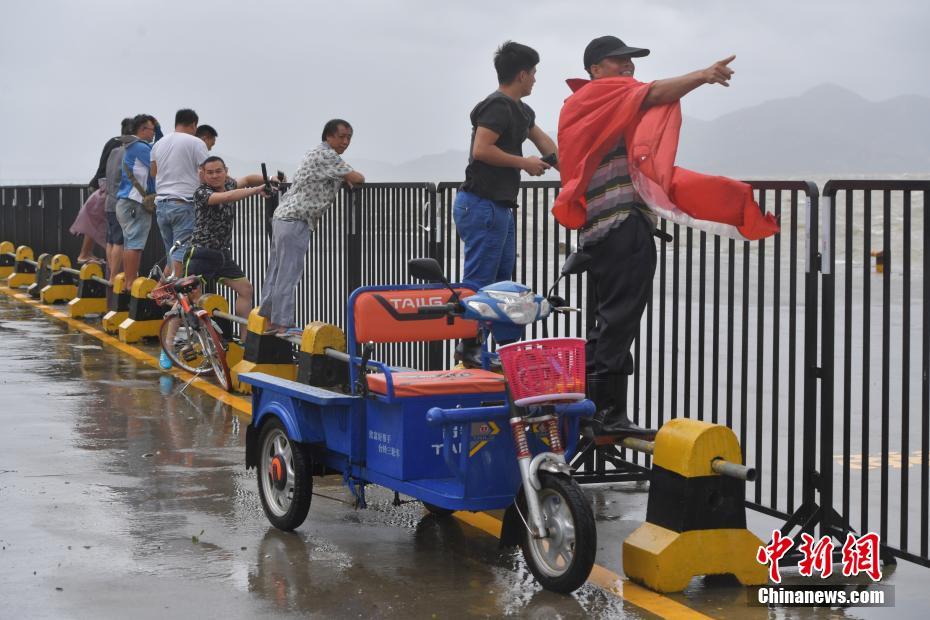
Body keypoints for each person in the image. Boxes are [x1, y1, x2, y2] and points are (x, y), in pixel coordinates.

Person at [553, 35, 754, 436]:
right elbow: (655, 93)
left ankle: (595, 409)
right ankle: (607, 413)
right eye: (618, 60)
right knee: (619, 320)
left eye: (631, 61)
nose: (628, 66)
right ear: (595, 69)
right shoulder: (601, 95)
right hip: (621, 224)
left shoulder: (584, 104)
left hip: (599, 229)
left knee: (607, 320)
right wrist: (704, 75)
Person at [453, 40, 558, 364]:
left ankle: (500, 352)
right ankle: (469, 350)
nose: (536, 79)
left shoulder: (522, 111)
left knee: (502, 284)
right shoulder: (497, 105)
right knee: (480, 281)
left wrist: (570, 176)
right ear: (522, 75)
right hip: (481, 203)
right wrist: (524, 162)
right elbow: (481, 150)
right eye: (535, 73)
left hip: (499, 207)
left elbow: (546, 145)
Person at [258, 119, 364, 333]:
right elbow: (358, 177)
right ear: (328, 136)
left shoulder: (315, 153)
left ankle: (269, 319)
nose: (346, 141)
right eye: (342, 136)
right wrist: (348, 179)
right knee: (289, 273)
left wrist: (342, 180)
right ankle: (282, 324)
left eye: (349, 137)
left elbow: (336, 178)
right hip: (296, 219)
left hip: (283, 217)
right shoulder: (327, 155)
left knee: (277, 270)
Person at [186, 156, 272, 318]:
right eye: (209, 172)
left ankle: (245, 340)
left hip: (222, 255)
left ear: (226, 171)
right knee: (187, 297)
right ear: (203, 174)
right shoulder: (202, 192)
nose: (214, 176)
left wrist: (270, 179)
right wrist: (256, 190)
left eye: (218, 171)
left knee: (246, 289)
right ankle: (170, 339)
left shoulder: (229, 184)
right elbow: (227, 197)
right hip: (201, 253)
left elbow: (247, 179)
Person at [150, 108, 209, 278]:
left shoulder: (159, 144)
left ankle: (166, 295)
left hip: (161, 204)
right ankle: (178, 296)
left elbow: (154, 172)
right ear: (193, 124)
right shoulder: (196, 142)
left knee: (171, 252)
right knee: (182, 252)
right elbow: (206, 171)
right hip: (184, 203)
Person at [115, 114, 158, 285]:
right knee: (135, 244)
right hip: (135, 202)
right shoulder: (141, 147)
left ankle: (129, 280)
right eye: (152, 130)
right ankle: (131, 282)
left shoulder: (130, 146)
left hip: (126, 202)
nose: (153, 133)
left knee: (130, 242)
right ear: (142, 129)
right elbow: (157, 165)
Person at [103, 120, 138, 278]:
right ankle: (114, 278)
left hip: (109, 201)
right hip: (120, 202)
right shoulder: (128, 153)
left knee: (110, 241)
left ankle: (111, 274)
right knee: (120, 242)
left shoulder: (114, 151)